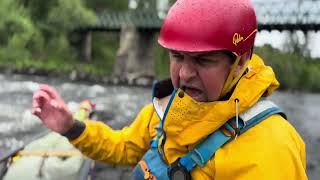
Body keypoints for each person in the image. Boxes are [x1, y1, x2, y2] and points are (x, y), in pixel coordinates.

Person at [32, 0, 307, 179]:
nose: (185, 74)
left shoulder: (274, 148)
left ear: (240, 62)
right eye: (177, 57)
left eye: (203, 60)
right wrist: (71, 127)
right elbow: (123, 147)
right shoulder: (170, 107)